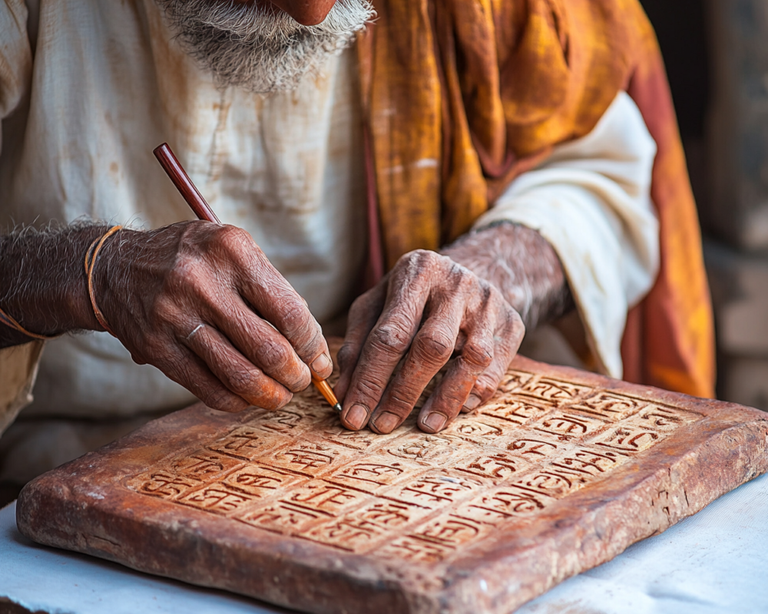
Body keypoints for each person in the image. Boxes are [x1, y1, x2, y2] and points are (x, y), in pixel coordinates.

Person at [0, 0, 714, 484]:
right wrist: (84, 273)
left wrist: (493, 263)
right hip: (61, 451)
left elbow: (592, 169)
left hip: (368, 437)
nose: (312, 11)